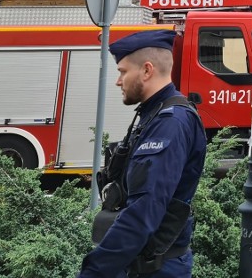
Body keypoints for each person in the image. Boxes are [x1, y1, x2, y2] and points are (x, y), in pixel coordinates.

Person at [78, 29, 207, 278]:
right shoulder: (153, 114)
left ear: (147, 70)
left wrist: (94, 272)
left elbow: (144, 209)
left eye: (123, 72)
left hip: (156, 268)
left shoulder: (170, 122)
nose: (118, 81)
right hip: (145, 264)